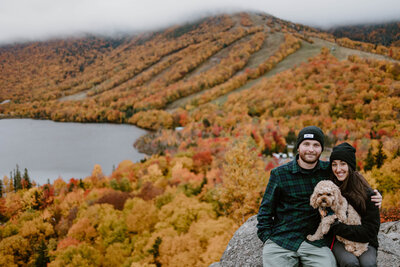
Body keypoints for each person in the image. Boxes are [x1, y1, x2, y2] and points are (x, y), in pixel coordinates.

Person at [256, 126, 381, 267]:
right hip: (282, 239)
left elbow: (351, 179)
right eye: (306, 144)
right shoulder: (280, 174)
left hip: (315, 243)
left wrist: (373, 196)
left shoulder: (329, 171)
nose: (311, 149)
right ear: (298, 147)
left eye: (316, 145)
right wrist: (267, 238)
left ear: (321, 149)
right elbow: (265, 211)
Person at [328, 142, 380, 267]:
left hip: (365, 241)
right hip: (339, 241)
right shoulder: (330, 188)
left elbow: (371, 230)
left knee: (368, 264)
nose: (338, 169)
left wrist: (338, 228)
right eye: (334, 164)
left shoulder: (366, 192)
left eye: (343, 164)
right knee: (349, 262)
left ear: (350, 166)